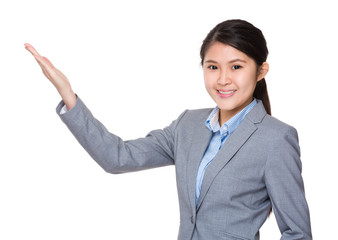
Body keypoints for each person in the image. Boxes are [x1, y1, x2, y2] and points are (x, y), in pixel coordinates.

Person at [25, 19, 312, 239]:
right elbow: (117, 157)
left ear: (260, 71)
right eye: (213, 67)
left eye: (236, 67)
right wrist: (68, 95)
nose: (223, 79)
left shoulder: (276, 138)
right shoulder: (188, 125)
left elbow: (297, 232)